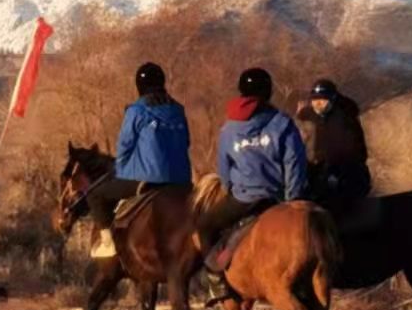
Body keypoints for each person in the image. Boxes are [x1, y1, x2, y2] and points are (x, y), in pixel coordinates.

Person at [80, 62, 192, 234]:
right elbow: (186, 143)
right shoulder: (179, 110)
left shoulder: (136, 111)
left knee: (95, 194)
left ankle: (108, 242)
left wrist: (120, 170)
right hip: (181, 180)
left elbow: (125, 146)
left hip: (147, 180)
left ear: (139, 86)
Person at [210, 66, 310, 252]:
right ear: (269, 92)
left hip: (243, 198)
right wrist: (292, 199)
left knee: (205, 225)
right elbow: (294, 162)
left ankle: (213, 274)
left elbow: (223, 167)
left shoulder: (229, 127)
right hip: (276, 196)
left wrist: (230, 188)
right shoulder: (282, 122)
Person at [301, 78, 372, 218]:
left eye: (323, 99)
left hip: (346, 173)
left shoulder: (345, 119)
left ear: (333, 100)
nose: (318, 103)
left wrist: (333, 170)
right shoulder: (307, 117)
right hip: (315, 173)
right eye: (315, 99)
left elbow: (356, 152)